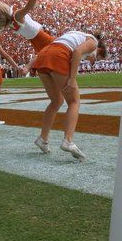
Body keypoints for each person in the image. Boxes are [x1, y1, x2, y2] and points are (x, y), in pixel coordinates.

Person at [31, 30, 106, 161]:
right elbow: (77, 52)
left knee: (56, 101)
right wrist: (72, 79)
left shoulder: (75, 34)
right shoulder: (93, 42)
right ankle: (68, 141)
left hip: (44, 54)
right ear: (99, 50)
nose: (91, 61)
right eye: (95, 59)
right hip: (57, 54)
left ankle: (43, 139)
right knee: (74, 101)